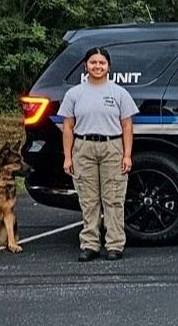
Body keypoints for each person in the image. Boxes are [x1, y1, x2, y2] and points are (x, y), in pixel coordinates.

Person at [59, 47, 139, 261]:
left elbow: (127, 126)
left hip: (112, 147)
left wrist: (127, 155)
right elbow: (68, 127)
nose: (97, 66)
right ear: (85, 66)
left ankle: (114, 244)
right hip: (83, 147)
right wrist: (68, 156)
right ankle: (90, 244)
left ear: (108, 67)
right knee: (89, 200)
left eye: (102, 63)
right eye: (93, 62)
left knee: (113, 198)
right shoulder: (74, 94)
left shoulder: (119, 93)